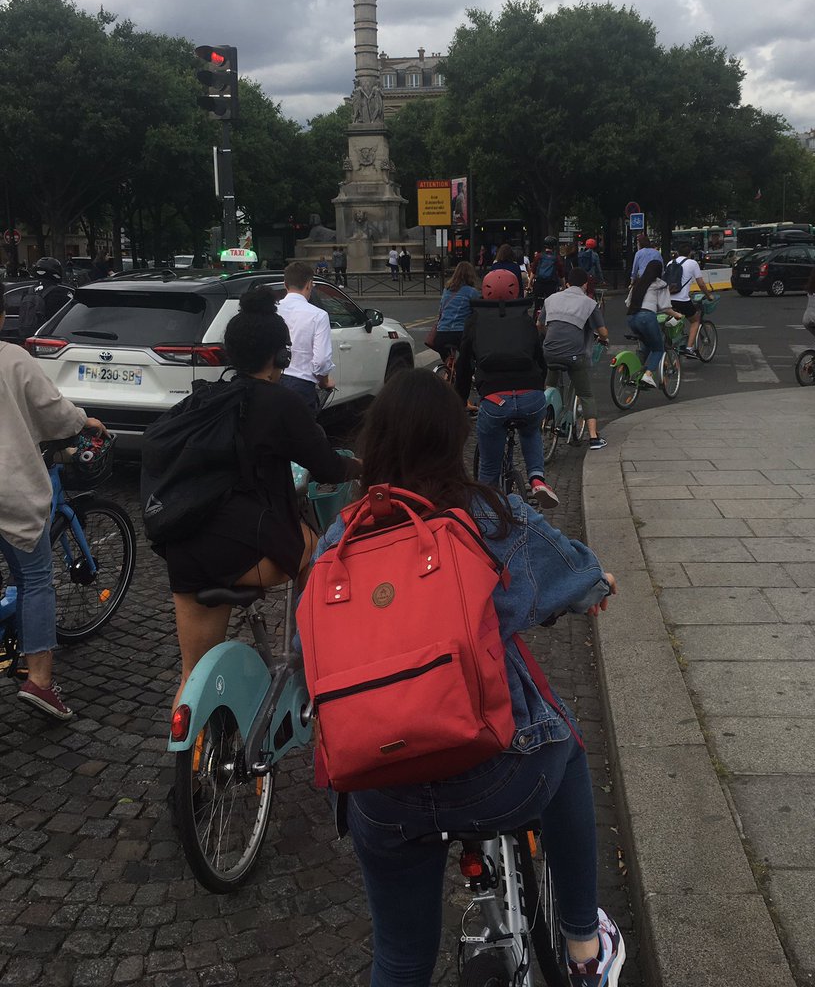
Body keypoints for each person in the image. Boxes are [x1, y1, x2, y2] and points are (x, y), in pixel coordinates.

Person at [315, 368, 625, 987]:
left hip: (380, 781)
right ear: (454, 438)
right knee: (566, 746)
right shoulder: (488, 517)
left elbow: (311, 653)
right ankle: (583, 946)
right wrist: (597, 587)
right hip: (497, 771)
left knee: (400, 958)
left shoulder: (338, 540)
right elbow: (576, 578)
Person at [160, 286, 359, 712]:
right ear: (280, 356)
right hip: (246, 549)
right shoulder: (281, 402)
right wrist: (360, 466)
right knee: (319, 550)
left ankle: (185, 746)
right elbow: (327, 467)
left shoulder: (202, 399)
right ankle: (311, 653)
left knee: (191, 673)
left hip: (184, 547)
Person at [0, 279, 109, 720]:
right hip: (9, 491)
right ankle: (41, 681)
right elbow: (54, 411)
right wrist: (85, 422)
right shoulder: (13, 359)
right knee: (35, 578)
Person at [455, 268, 558, 508]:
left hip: (495, 399)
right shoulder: (525, 319)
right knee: (530, 431)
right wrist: (538, 386)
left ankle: (486, 511)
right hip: (531, 396)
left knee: (489, 469)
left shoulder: (475, 321)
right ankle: (537, 478)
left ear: (485, 292)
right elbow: (540, 360)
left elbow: (463, 366)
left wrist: (460, 400)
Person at [540, 267, 609, 451]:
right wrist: (603, 339)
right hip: (574, 355)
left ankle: (547, 413)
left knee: (550, 384)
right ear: (585, 284)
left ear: (567, 283)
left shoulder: (551, 299)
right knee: (586, 394)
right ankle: (594, 437)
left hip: (549, 351)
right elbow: (603, 332)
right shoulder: (589, 303)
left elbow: (540, 324)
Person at [276, 261, 335, 411]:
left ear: (285, 284)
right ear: (309, 285)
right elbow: (321, 361)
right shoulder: (319, 315)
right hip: (301, 385)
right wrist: (324, 381)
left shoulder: (273, 310)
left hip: (271, 381)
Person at [626, 258, 682, 387]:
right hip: (647, 318)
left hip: (632, 318)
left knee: (646, 345)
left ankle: (634, 373)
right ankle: (648, 374)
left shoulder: (638, 282)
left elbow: (628, 303)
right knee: (658, 349)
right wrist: (677, 315)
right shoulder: (660, 284)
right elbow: (665, 308)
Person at [665, 242, 714, 358]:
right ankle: (689, 348)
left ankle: (675, 342)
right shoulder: (692, 263)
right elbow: (701, 284)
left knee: (675, 320)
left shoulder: (670, 263)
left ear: (677, 253)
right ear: (690, 253)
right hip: (682, 300)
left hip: (668, 300)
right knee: (695, 320)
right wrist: (708, 296)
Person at [433, 261, 481, 367]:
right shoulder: (472, 292)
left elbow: (440, 311)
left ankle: (449, 369)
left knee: (448, 361)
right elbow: (479, 311)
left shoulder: (446, 290)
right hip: (460, 334)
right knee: (470, 358)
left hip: (441, 334)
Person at [16, 257, 74, 340]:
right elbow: (70, 317)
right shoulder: (59, 292)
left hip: (27, 336)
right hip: (50, 336)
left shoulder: (28, 291)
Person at [531, 237, 565, 309]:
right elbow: (561, 274)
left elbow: (533, 271)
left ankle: (536, 313)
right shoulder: (557, 258)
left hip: (539, 284)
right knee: (551, 305)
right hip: (551, 285)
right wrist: (563, 286)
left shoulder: (539, 256)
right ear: (554, 246)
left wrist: (529, 283)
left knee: (537, 305)